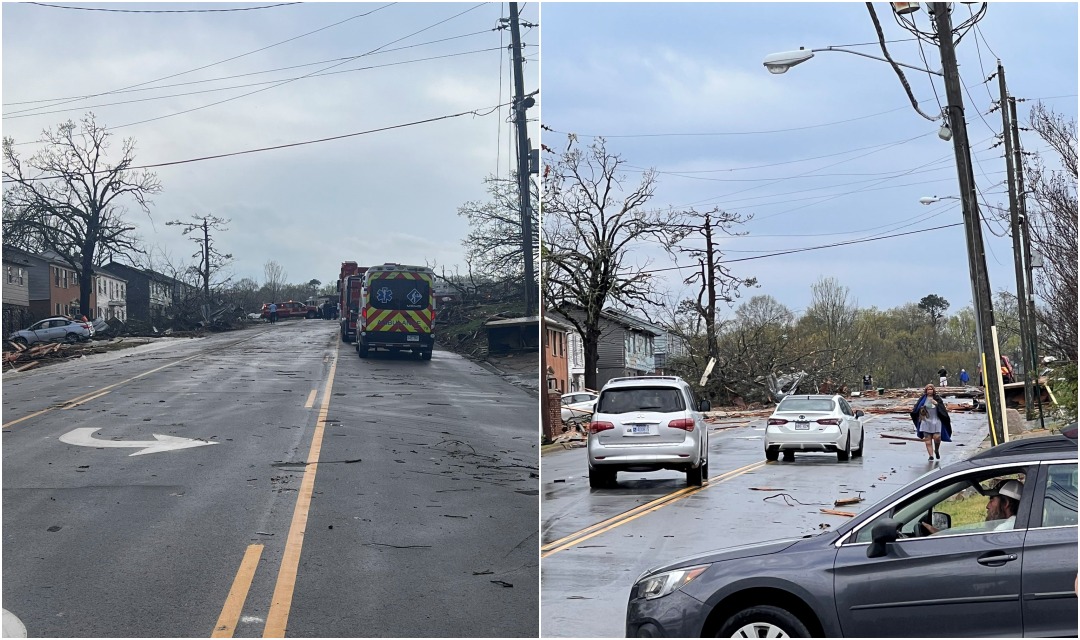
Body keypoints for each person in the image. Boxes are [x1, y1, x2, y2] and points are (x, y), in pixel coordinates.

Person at [910, 383, 952, 461]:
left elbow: (943, 410)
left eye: (931, 389)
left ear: (933, 390)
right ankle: (931, 456)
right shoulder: (923, 399)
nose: (930, 391)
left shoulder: (937, 398)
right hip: (926, 421)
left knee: (937, 437)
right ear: (926, 390)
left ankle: (936, 450)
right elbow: (917, 408)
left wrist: (937, 404)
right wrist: (921, 411)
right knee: (928, 440)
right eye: (928, 389)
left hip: (936, 420)